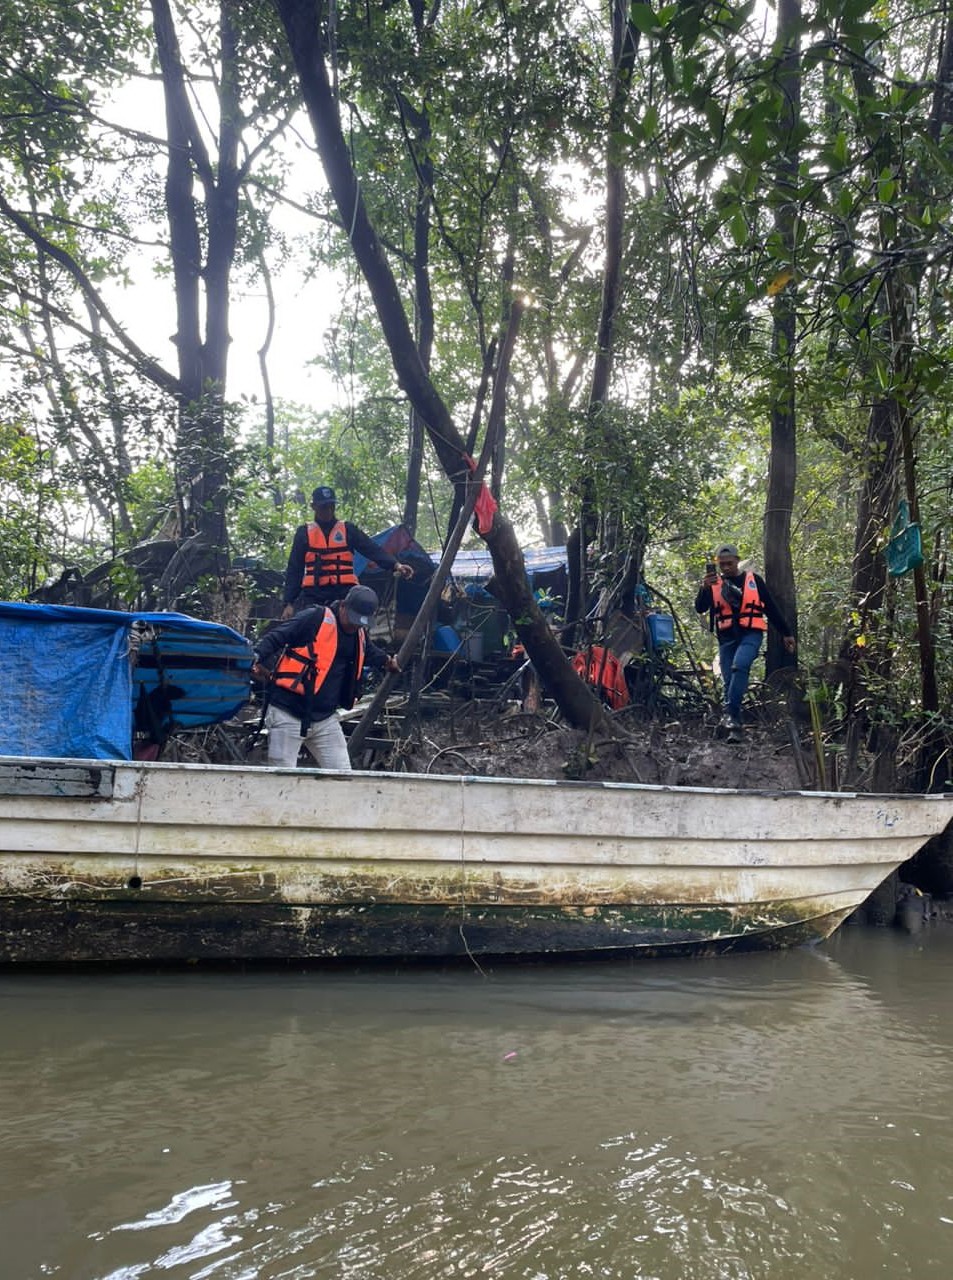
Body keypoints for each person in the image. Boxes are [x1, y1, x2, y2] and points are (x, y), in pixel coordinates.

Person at [251, 584, 400, 770]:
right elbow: (277, 636)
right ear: (344, 606)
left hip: (324, 718)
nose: (355, 625)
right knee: (283, 777)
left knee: (342, 774)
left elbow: (368, 652)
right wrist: (255, 657)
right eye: (353, 619)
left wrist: (387, 661)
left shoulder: (359, 633)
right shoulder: (314, 618)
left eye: (360, 622)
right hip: (288, 712)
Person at [694, 543, 796, 743]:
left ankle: (729, 715)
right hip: (726, 638)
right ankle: (735, 730)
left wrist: (786, 633)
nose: (725, 568)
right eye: (721, 564)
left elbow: (771, 609)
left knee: (739, 667)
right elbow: (700, 608)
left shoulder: (753, 581)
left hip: (751, 634)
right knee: (729, 682)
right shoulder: (714, 584)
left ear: (737, 560)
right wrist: (704, 588)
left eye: (729, 563)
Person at [281, 485, 413, 619]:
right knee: (309, 627)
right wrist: (289, 603)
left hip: (345, 593)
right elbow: (294, 569)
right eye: (323, 507)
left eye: (331, 506)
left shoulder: (348, 529)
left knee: (353, 624)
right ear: (313, 506)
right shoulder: (303, 533)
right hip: (314, 594)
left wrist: (396, 565)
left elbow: (372, 549)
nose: (328, 510)